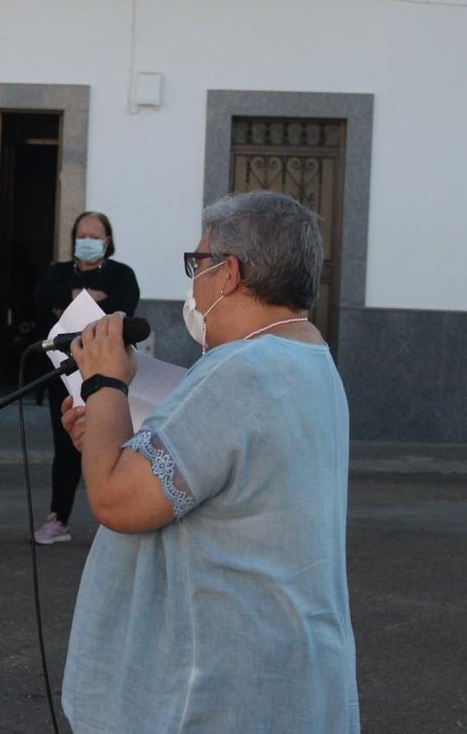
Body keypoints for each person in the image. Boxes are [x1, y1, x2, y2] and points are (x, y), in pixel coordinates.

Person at [59, 191, 358, 732]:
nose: (192, 284)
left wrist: (103, 381)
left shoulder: (242, 369)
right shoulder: (307, 356)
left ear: (229, 274)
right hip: (282, 662)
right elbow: (198, 480)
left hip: (221, 684)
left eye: (197, 265)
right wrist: (108, 434)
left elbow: (116, 500)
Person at [32, 212, 139, 544]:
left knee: (113, 441)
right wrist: (91, 298)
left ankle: (119, 519)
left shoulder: (122, 274)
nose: (88, 241)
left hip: (110, 373)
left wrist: (74, 298)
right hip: (64, 373)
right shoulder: (57, 272)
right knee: (67, 445)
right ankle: (58, 517)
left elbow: (124, 308)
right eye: (82, 234)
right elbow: (42, 300)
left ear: (107, 240)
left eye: (95, 235)